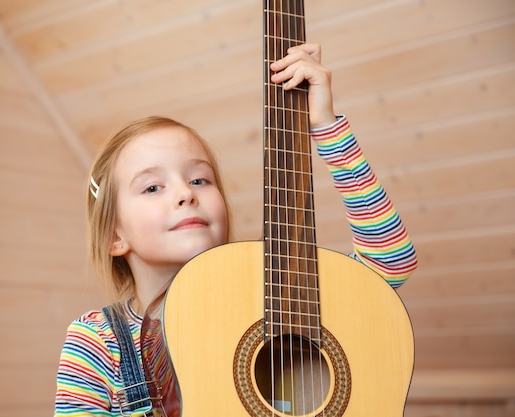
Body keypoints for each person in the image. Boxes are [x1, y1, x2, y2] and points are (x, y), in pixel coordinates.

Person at [54, 43, 418, 416]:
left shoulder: (279, 298)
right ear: (116, 236)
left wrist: (326, 127)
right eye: (152, 187)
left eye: (199, 180)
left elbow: (390, 260)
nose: (185, 194)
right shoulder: (98, 340)